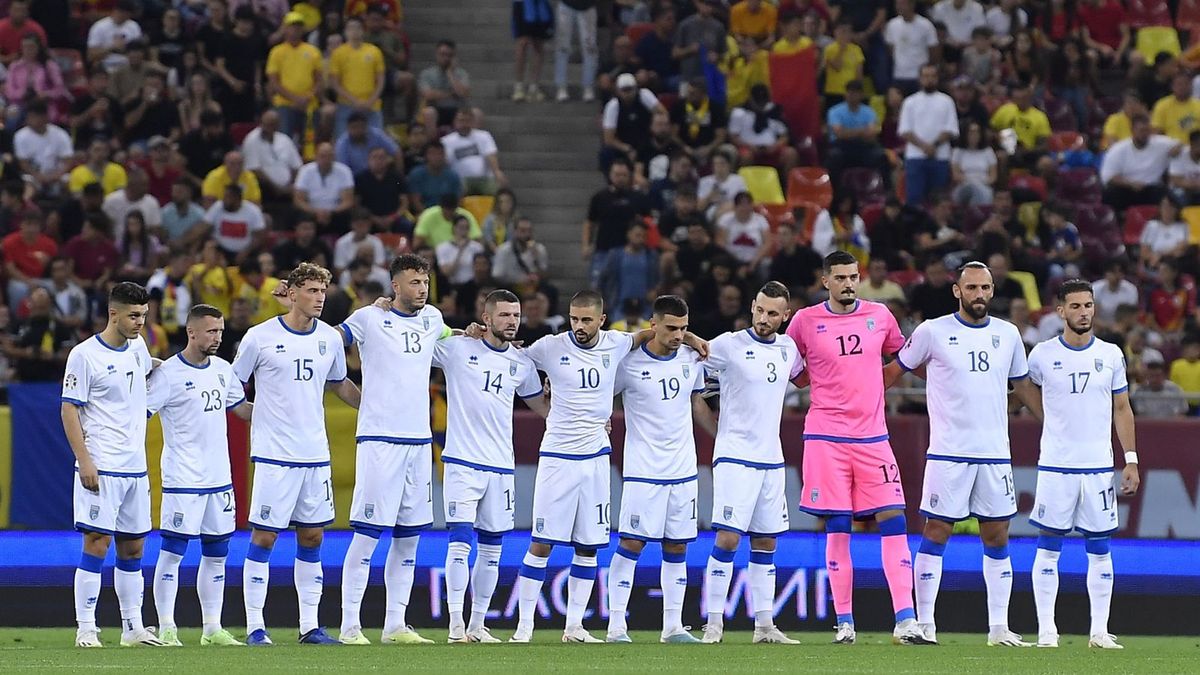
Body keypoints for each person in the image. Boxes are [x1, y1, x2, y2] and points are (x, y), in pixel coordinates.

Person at [512, 291, 703, 642]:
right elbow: (514, 357)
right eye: (574, 319)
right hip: (559, 458)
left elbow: (646, 335)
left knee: (589, 545)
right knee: (542, 543)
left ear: (601, 320)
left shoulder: (617, 346)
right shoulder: (551, 347)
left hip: (599, 459)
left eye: (586, 320)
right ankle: (525, 629)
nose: (579, 326)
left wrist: (689, 336)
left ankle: (576, 628)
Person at [887, 261, 1044, 646]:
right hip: (948, 453)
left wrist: (1053, 423)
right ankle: (924, 624)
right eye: (971, 288)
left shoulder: (1008, 334)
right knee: (937, 531)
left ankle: (998, 628)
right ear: (957, 290)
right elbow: (895, 371)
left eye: (985, 288)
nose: (979, 295)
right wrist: (859, 401)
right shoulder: (933, 331)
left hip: (994, 453)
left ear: (992, 290)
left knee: (997, 535)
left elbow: (1021, 385)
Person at [786, 251, 927, 644]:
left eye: (854, 276)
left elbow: (902, 357)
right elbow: (792, 372)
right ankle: (845, 622)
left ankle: (905, 620)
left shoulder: (880, 316)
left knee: (894, 518)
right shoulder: (804, 320)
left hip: (873, 437)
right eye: (841, 277)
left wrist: (874, 386)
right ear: (825, 281)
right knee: (838, 524)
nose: (849, 283)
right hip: (826, 437)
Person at [231, 262, 360, 646]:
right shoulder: (260, 337)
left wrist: (372, 407)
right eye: (312, 291)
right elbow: (231, 385)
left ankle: (310, 627)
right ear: (291, 292)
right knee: (265, 538)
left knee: (312, 538)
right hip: (274, 456)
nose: (319, 298)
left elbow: (339, 383)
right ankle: (256, 626)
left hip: (315, 455)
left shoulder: (330, 339)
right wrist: (255, 416)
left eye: (323, 291)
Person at [334, 253, 460, 645]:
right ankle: (349, 625)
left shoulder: (433, 319)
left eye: (425, 282)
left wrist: (471, 332)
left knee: (409, 537)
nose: (421, 289)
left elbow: (449, 341)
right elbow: (330, 341)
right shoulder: (368, 318)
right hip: (379, 441)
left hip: (420, 443)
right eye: (414, 282)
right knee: (369, 534)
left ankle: (394, 625)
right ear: (395, 286)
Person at [1026, 280, 1139, 650]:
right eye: (1075, 306)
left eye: (1088, 305)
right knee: (1048, 545)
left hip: (1098, 466)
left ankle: (1099, 632)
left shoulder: (1110, 355)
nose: (1084, 312)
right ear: (1061, 312)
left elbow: (1122, 408)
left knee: (1100, 546)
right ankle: (1047, 631)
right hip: (1057, 465)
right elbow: (1024, 390)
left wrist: (1131, 460)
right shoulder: (1041, 355)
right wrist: (1051, 421)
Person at [434, 289, 551, 642]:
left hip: (501, 466)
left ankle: (477, 624)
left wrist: (578, 420)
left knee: (492, 546)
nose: (512, 321)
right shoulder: (458, 350)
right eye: (504, 315)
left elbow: (541, 407)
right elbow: (420, 337)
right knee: (459, 540)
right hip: (462, 461)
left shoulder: (522, 363)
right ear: (486, 318)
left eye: (515, 315)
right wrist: (456, 331)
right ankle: (456, 623)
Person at [606, 294, 716, 644]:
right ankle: (616, 626)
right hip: (643, 470)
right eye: (671, 328)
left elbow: (697, 404)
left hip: (683, 470)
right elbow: (600, 395)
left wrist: (719, 437)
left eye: (684, 328)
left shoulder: (690, 358)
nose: (679, 335)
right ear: (652, 325)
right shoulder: (628, 363)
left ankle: (672, 627)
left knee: (677, 547)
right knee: (632, 543)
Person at [62, 282, 165, 648]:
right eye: (134, 316)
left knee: (134, 549)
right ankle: (86, 628)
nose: (140, 323)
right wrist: (84, 460)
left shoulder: (138, 348)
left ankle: (132, 627)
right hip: (101, 465)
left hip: (135, 467)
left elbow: (140, 374)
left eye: (144, 316)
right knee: (97, 541)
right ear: (113, 313)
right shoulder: (84, 355)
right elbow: (69, 409)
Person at [701, 281, 803, 645]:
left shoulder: (789, 349)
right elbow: (688, 357)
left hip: (771, 459)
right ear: (752, 306)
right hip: (734, 456)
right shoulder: (728, 345)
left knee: (766, 542)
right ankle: (713, 623)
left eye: (772, 313)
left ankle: (764, 626)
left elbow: (808, 377)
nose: (763, 318)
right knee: (728, 538)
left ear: (784, 316)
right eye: (759, 310)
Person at [147, 304, 252, 647]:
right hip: (183, 478)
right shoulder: (168, 374)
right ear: (191, 332)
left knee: (217, 552)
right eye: (211, 331)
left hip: (219, 478)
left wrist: (282, 406)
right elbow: (140, 412)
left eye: (220, 331)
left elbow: (240, 409)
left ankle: (212, 628)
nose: (218, 337)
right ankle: (166, 626)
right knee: (174, 552)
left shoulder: (223, 370)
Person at [898, 64, 959, 205]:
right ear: (920, 79)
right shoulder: (910, 102)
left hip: (940, 157)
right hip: (915, 157)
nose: (929, 80)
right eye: (926, 76)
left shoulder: (947, 101)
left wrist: (933, 146)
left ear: (937, 78)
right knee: (914, 200)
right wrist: (924, 146)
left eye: (932, 76)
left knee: (938, 201)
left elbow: (951, 129)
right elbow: (905, 130)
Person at [1101, 114, 1181, 211]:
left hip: (1152, 189)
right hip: (1128, 188)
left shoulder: (1160, 143)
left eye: (1147, 130)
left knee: (1170, 195)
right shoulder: (1118, 149)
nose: (1145, 134)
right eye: (1141, 130)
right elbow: (1109, 177)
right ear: (1132, 130)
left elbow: (1179, 144)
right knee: (1110, 193)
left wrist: (1176, 149)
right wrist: (1130, 184)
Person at [266, 12, 324, 144]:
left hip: (309, 104)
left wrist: (308, 97)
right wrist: (294, 98)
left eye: (298, 27)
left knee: (310, 142)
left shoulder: (313, 51)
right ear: (285, 28)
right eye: (292, 26)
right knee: (284, 141)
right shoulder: (276, 52)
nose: (295, 30)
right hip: (284, 104)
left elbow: (319, 79)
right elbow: (274, 81)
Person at [329, 18, 386, 140]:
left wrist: (371, 100)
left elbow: (380, 80)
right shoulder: (338, 53)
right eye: (351, 28)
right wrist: (354, 101)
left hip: (372, 104)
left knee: (377, 141)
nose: (354, 31)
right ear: (345, 31)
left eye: (357, 27)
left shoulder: (374, 51)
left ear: (363, 30)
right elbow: (335, 82)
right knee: (342, 141)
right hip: (346, 104)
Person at [441, 109, 507, 196]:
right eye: (461, 121)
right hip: (461, 180)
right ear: (455, 122)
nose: (464, 124)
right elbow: (446, 163)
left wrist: (497, 172)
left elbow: (491, 155)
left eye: (467, 121)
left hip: (484, 178)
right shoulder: (446, 141)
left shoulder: (484, 136)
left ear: (472, 122)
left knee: (497, 189)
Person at [294, 143, 356, 233]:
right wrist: (316, 212)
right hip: (311, 212)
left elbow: (348, 201)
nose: (326, 160)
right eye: (322, 156)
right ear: (316, 156)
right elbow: (298, 200)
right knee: (298, 215)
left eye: (329, 156)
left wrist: (330, 212)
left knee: (347, 215)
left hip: (336, 212)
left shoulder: (344, 171)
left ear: (334, 157)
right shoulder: (305, 171)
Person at [884, 0, 938, 94]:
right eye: (897, 4)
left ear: (912, 5)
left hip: (918, 76)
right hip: (899, 75)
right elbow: (890, 49)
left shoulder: (926, 25)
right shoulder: (892, 25)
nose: (899, 7)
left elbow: (933, 50)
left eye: (902, 4)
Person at [202, 184, 266, 263]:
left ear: (237, 198)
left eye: (227, 197)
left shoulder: (253, 210)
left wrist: (245, 252)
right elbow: (204, 227)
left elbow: (259, 236)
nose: (224, 200)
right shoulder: (218, 206)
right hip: (220, 250)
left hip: (246, 252)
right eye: (224, 196)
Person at [419, 40, 472, 131]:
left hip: (457, 111)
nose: (446, 58)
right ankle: (432, 144)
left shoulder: (461, 73)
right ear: (437, 55)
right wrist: (450, 94)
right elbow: (428, 95)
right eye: (442, 54)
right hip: (435, 109)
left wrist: (450, 73)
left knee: (477, 113)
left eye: (449, 55)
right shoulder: (426, 74)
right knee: (429, 112)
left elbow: (463, 93)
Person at [554, 0, 599, 102]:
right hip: (566, 5)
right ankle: (561, 85)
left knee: (589, 47)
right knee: (562, 46)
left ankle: (588, 85)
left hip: (587, 6)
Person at [511, 0, 552, 101]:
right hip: (522, 4)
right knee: (522, 42)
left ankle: (534, 86)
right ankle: (519, 86)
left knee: (538, 44)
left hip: (540, 4)